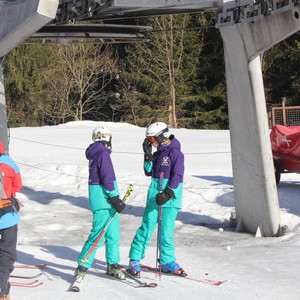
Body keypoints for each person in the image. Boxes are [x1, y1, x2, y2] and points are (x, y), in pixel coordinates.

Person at [127, 122, 186, 277]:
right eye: (149, 141)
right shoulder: (158, 153)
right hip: (154, 198)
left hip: (170, 199)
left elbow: (177, 176)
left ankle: (167, 261)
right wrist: (147, 155)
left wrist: (167, 193)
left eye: (152, 139)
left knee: (166, 233)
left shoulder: (176, 154)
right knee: (146, 229)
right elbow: (148, 171)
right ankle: (134, 259)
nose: (151, 143)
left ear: (162, 136)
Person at [74, 126, 126, 282]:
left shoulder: (96, 154)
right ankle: (83, 264)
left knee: (113, 235)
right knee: (97, 235)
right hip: (105, 202)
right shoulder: (102, 154)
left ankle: (113, 264)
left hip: (106, 202)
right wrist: (114, 197)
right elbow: (107, 177)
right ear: (107, 139)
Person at [0, 141, 22, 300]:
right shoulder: (9, 163)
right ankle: (2, 288)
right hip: (6, 214)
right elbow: (18, 186)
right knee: (7, 253)